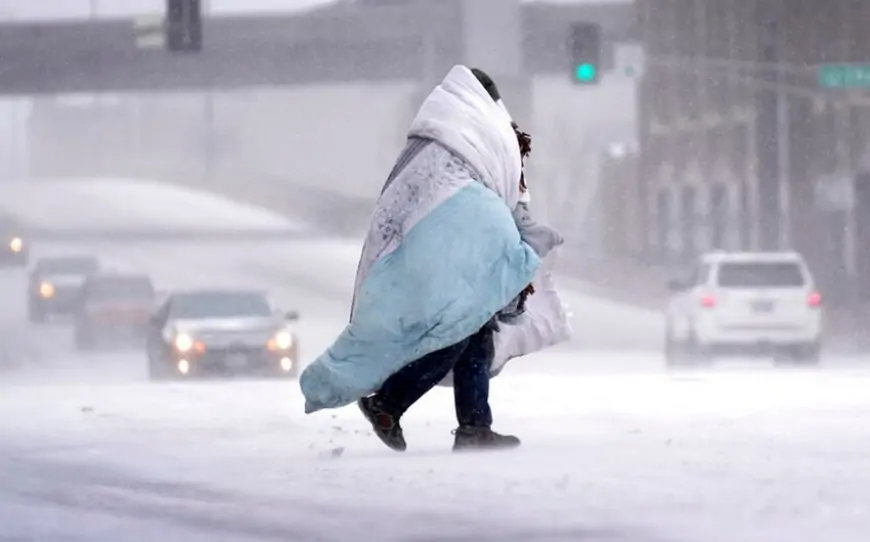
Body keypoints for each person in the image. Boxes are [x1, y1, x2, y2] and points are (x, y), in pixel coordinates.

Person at [299, 65, 567, 453]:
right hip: (447, 252)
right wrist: (520, 236)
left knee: (475, 330)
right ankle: (389, 402)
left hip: (428, 251)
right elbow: (495, 192)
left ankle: (474, 425)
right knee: (458, 328)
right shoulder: (478, 134)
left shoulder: (433, 140)